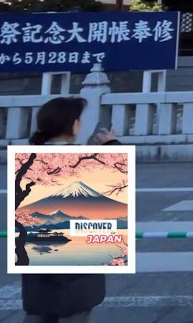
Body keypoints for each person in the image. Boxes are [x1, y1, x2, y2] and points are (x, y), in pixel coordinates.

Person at [23, 97, 121, 323]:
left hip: (35, 254)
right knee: (73, 312)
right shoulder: (84, 161)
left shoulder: (29, 157)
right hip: (76, 259)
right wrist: (111, 147)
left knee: (39, 312)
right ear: (74, 125)